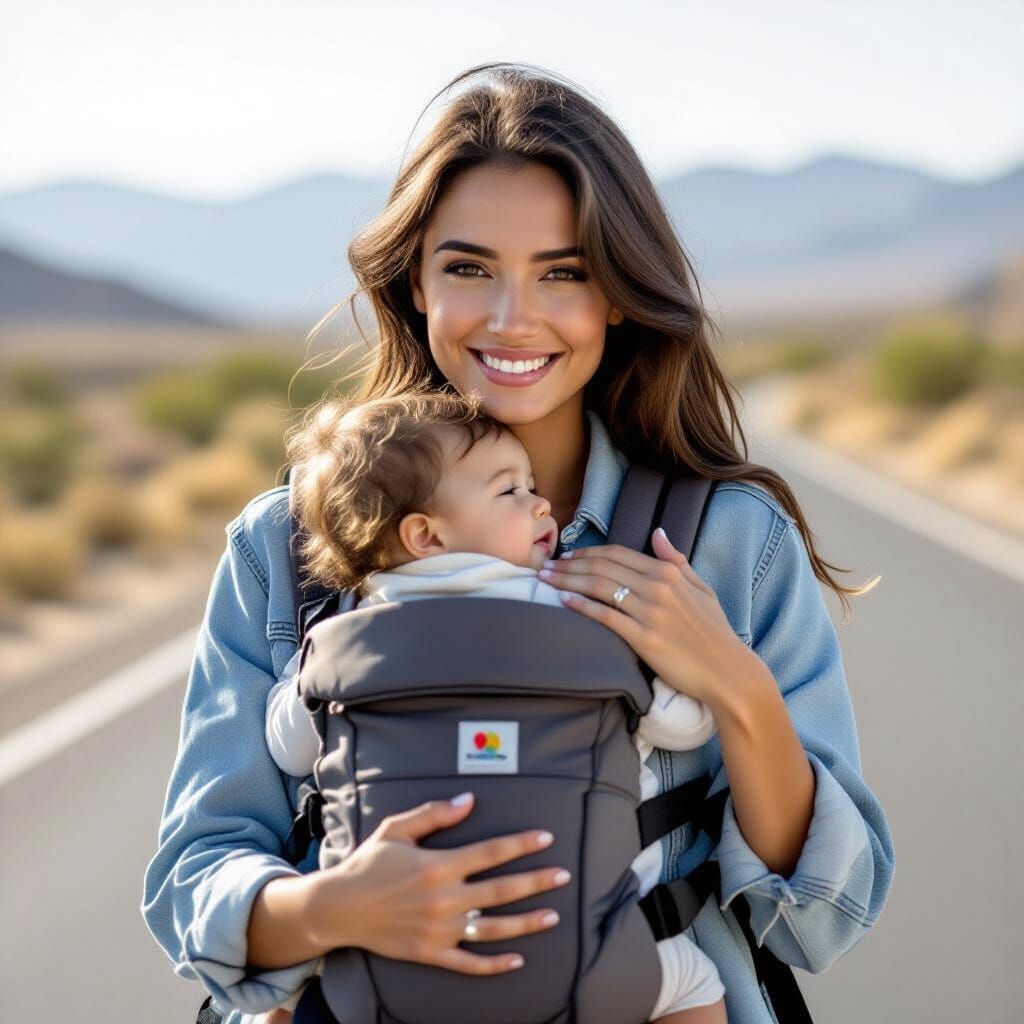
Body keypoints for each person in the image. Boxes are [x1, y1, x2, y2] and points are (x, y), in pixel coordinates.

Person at [141, 62, 895, 1024]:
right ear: (414, 280)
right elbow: (192, 886)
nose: (511, 318)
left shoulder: (730, 545)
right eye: (468, 269)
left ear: (617, 293)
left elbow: (818, 923)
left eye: (563, 273)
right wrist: (333, 908)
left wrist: (737, 691)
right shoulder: (282, 549)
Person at [262, 389, 727, 1023]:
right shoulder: (589, 620)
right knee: (695, 981)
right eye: (510, 491)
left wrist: (299, 673)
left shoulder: (336, 647)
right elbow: (687, 723)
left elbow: (289, 747)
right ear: (425, 534)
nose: (540, 503)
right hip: (576, 966)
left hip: (382, 970)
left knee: (280, 989)